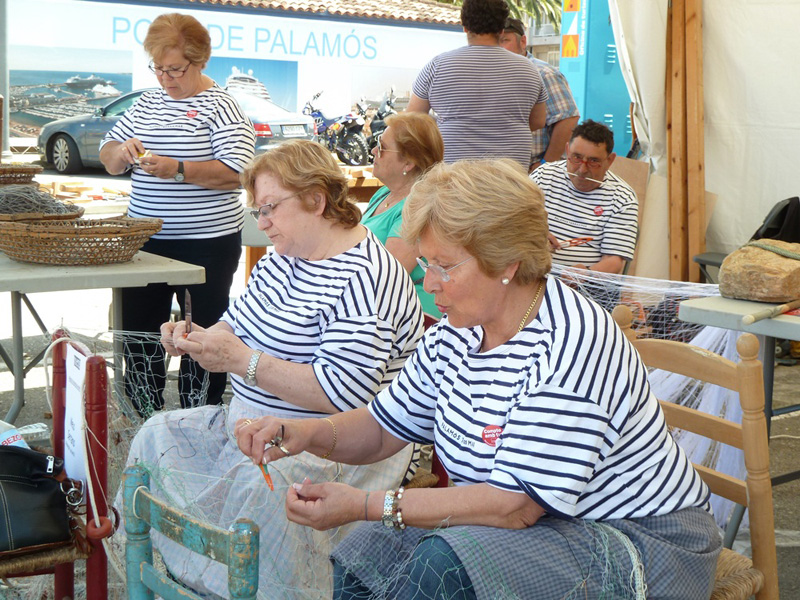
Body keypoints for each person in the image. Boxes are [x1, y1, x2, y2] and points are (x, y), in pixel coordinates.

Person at [235, 159, 722, 600]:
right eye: (426, 264)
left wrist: (366, 503)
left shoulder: (569, 343)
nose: (428, 284)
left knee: (442, 565)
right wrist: (301, 434)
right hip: (547, 524)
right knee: (369, 549)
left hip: (641, 542)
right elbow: (384, 428)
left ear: (508, 262)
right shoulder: (458, 332)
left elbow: (514, 507)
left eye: (445, 266)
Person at [122, 139, 424, 599]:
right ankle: (182, 580)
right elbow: (238, 323)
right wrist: (197, 335)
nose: (260, 223)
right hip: (253, 425)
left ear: (316, 200)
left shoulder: (367, 277)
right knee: (156, 436)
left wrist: (241, 360)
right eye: (257, 210)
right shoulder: (283, 258)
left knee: (257, 490)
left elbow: (338, 394)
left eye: (269, 209)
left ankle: (242, 588)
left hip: (330, 445)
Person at [99, 13, 256, 414]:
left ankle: (199, 417)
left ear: (199, 62)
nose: (165, 79)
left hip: (207, 245)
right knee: (141, 334)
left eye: (175, 70)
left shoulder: (223, 108)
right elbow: (108, 156)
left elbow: (238, 173)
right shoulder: (147, 102)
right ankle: (142, 417)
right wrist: (120, 154)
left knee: (200, 337)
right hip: (144, 244)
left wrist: (179, 170)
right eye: (158, 68)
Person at [406, 0, 547, 167]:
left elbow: (413, 119)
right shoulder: (529, 69)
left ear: (465, 27)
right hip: (510, 179)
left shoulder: (437, 66)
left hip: (454, 178)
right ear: (502, 29)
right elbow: (539, 120)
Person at [362, 112, 444, 318]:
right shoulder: (384, 193)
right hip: (373, 305)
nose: (373, 150)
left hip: (405, 316)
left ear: (408, 163)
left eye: (381, 147)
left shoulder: (416, 206)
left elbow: (385, 279)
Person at [531, 119, 638, 274]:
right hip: (534, 276)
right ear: (567, 150)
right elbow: (513, 225)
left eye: (593, 161)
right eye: (576, 157)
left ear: (610, 160)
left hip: (585, 287)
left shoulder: (622, 198)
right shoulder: (543, 176)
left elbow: (613, 261)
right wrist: (533, 234)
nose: (582, 169)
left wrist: (587, 273)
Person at [500, 17, 580, 169]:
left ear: (522, 42)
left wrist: (545, 164)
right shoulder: (498, 72)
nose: (499, 47)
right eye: (496, 41)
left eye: (504, 40)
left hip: (532, 171)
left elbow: (568, 119)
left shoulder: (543, 73)